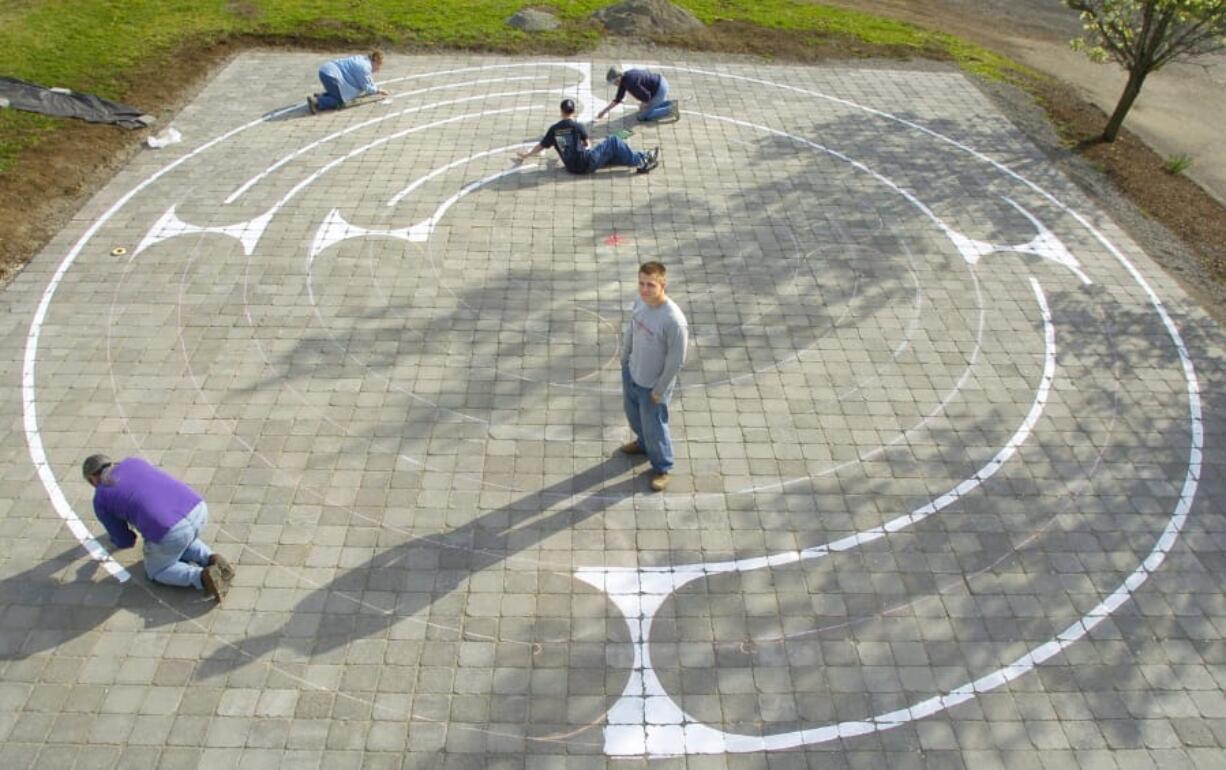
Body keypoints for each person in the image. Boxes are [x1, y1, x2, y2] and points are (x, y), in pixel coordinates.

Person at [83, 454, 235, 602]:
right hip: (198, 509)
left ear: (92, 479)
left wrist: (119, 536)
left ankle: (202, 577)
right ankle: (212, 559)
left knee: (157, 570)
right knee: (178, 541)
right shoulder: (134, 461)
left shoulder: (101, 498)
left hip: (169, 529)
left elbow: (125, 541)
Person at [620, 262, 688, 492]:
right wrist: (624, 358)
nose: (644, 289)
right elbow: (631, 328)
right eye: (641, 283)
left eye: (650, 284)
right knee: (633, 414)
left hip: (653, 384)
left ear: (663, 284)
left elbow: (676, 361)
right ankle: (642, 443)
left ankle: (662, 466)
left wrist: (660, 389)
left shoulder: (673, 320)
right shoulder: (640, 302)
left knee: (655, 426)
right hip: (633, 371)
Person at [517, 98, 660, 175]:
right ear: (573, 111)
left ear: (561, 111)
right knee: (614, 141)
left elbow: (540, 146)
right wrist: (590, 149)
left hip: (572, 168)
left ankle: (643, 155)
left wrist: (527, 155)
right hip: (586, 162)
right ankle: (642, 160)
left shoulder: (554, 130)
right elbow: (587, 144)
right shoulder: (577, 126)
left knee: (612, 155)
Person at [308, 50, 389, 114]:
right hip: (331, 76)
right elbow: (366, 86)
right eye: (379, 66)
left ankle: (325, 95)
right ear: (375, 61)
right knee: (341, 100)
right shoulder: (364, 68)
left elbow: (367, 80)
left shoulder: (363, 59)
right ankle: (317, 102)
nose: (378, 70)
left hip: (325, 70)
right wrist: (378, 90)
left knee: (342, 91)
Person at [596, 67, 676, 123]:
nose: (614, 84)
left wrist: (643, 105)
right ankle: (661, 102)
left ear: (618, 78)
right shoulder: (626, 77)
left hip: (660, 90)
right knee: (645, 107)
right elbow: (618, 99)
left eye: (614, 82)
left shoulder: (631, 84)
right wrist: (604, 112)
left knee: (642, 117)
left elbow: (647, 96)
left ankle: (670, 109)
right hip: (661, 81)